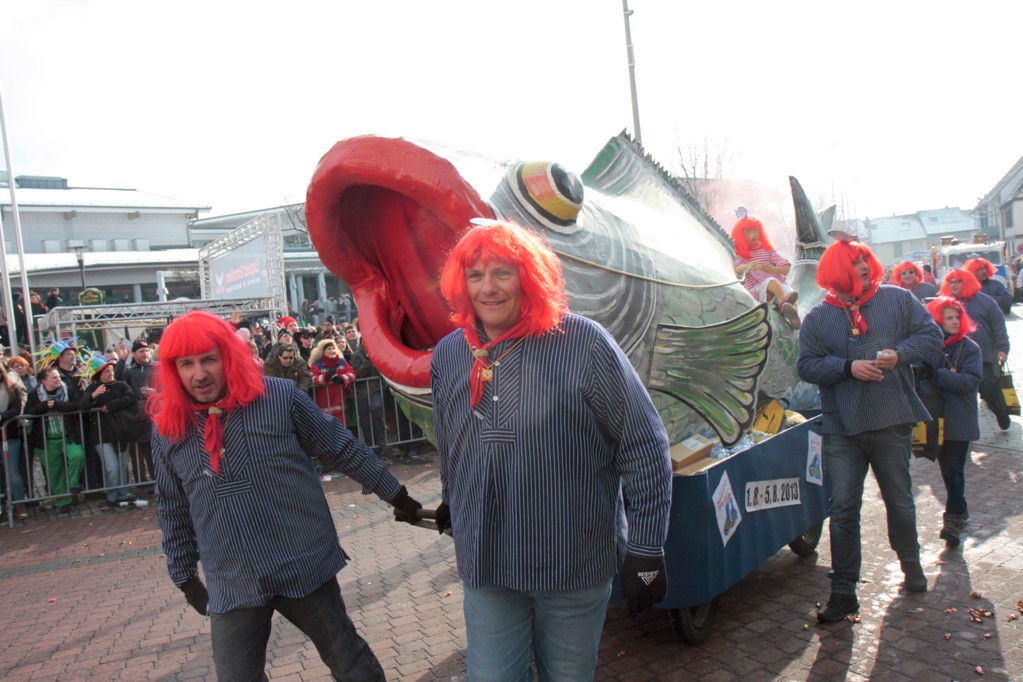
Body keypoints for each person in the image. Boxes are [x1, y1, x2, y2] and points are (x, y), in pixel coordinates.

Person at [430, 219, 673, 680]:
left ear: (529, 276)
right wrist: (453, 498)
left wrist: (646, 546)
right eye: (475, 275)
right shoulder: (448, 354)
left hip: (572, 560)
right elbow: (452, 442)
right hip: (488, 559)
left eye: (502, 273)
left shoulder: (584, 343)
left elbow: (642, 444)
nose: (488, 288)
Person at [151, 310, 423, 681]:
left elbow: (339, 446)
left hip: (301, 562)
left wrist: (395, 493)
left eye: (209, 359)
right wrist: (184, 576)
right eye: (187, 364)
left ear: (227, 357)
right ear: (174, 370)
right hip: (233, 578)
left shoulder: (278, 398)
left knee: (350, 663)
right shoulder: (168, 429)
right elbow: (172, 507)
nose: (199, 374)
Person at [797, 238, 942, 623]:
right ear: (837, 271)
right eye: (853, 262)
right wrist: (847, 368)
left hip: (891, 422)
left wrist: (900, 354)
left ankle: (911, 564)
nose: (863, 266)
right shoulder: (818, 317)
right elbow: (807, 366)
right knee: (843, 510)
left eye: (865, 259)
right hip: (842, 428)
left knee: (900, 500)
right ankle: (844, 591)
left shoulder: (898, 299)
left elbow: (931, 335)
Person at [921, 297, 982, 547]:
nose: (955, 322)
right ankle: (961, 507)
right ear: (937, 321)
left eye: (957, 317)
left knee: (955, 471)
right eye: (948, 318)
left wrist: (938, 376)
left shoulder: (970, 348)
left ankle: (953, 519)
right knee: (946, 470)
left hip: (960, 419)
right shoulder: (929, 348)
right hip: (936, 420)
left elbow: (970, 381)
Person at [939, 269, 1011, 429]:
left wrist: (1002, 348)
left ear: (966, 282)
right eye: (951, 282)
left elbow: (998, 326)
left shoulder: (986, 301)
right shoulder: (944, 303)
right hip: (954, 357)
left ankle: (1000, 412)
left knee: (987, 389)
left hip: (983, 356)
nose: (953, 285)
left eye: (957, 282)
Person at [78, 358, 137, 508]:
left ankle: (122, 495)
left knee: (123, 465)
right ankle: (112, 496)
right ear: (99, 374)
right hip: (102, 433)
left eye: (111, 370)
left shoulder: (121, 385)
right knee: (112, 468)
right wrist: (93, 395)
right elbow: (83, 405)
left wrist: (112, 405)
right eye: (106, 371)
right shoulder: (93, 387)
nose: (110, 373)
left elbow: (131, 397)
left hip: (122, 431)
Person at [25, 366, 85, 509]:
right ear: (44, 380)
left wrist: (58, 405)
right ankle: (64, 502)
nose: (58, 379)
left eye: (58, 376)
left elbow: (77, 405)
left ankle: (73, 484)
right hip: (46, 439)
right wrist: (43, 406)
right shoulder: (34, 395)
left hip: (68, 435)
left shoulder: (67, 390)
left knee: (77, 456)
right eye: (54, 377)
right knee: (54, 471)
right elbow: (28, 412)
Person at [730, 214, 801, 329]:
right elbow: (737, 269)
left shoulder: (768, 251)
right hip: (758, 288)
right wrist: (749, 266)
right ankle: (783, 304)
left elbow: (786, 267)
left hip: (777, 288)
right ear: (741, 236)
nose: (752, 235)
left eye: (755, 231)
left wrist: (773, 269)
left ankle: (793, 315)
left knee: (790, 292)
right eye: (747, 233)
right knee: (772, 281)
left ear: (760, 231)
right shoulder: (741, 254)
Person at [115, 339, 158, 484]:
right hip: (142, 420)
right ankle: (156, 484)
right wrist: (121, 360)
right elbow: (118, 381)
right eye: (141, 351)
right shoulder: (129, 371)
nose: (145, 353)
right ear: (134, 354)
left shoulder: (159, 367)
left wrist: (157, 392)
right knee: (149, 455)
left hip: (160, 416)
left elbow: (171, 387)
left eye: (146, 350)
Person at [1, 359, 29, 519]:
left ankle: (19, 504)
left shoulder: (12, 386)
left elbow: (17, 407)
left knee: (13, 472)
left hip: (10, 433)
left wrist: (2, 417)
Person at [309, 339, 356, 427]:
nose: (332, 351)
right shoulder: (317, 365)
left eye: (333, 348)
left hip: (340, 401)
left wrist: (342, 379)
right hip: (324, 402)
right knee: (327, 428)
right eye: (329, 349)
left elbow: (352, 373)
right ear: (323, 351)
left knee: (342, 428)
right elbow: (312, 378)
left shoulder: (342, 362)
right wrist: (325, 377)